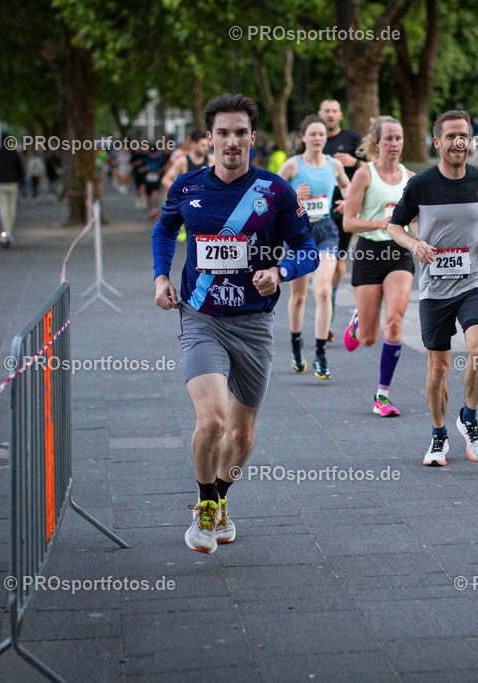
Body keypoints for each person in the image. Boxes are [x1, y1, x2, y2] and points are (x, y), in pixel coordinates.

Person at [151, 93, 318, 553]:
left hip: (253, 325)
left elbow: (308, 249)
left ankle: (220, 499)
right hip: (201, 316)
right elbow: (165, 230)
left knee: (241, 435)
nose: (231, 141)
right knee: (212, 421)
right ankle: (204, 509)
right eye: (222, 132)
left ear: (252, 137)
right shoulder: (186, 187)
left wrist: (280, 271)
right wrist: (162, 276)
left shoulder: (275, 192)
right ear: (209, 138)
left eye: (240, 132)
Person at [386, 110, 478, 466]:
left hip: (475, 279)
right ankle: (439, 436)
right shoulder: (421, 186)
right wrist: (415, 245)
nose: (459, 142)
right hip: (435, 286)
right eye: (452, 136)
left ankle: (469, 419)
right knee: (437, 368)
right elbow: (393, 227)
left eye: (465, 136)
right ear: (437, 141)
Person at [341, 116, 417, 417]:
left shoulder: (411, 178)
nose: (394, 144)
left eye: (398, 138)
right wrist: (379, 223)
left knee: (395, 321)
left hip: (399, 252)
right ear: (377, 142)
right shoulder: (364, 174)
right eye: (388, 139)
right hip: (369, 253)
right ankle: (359, 320)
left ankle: (382, 396)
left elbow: (414, 221)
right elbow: (348, 221)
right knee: (368, 338)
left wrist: (419, 235)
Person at [277, 115, 350, 379]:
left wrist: (346, 202)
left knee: (322, 291)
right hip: (298, 235)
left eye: (322, 134)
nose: (318, 138)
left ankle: (320, 355)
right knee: (298, 296)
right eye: (313, 134)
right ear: (303, 138)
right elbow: (270, 194)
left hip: (327, 232)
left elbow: (347, 187)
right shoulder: (292, 166)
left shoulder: (333, 164)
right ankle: (296, 346)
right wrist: (295, 197)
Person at [319, 99, 365, 328]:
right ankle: (325, 300)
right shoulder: (315, 139)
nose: (330, 114)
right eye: (326, 111)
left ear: (340, 115)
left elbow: (375, 165)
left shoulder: (352, 139)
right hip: (318, 214)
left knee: (338, 263)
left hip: (345, 209)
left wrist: (355, 161)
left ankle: (332, 295)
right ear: (320, 114)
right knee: (324, 264)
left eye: (334, 111)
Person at [0, 142, 22, 247]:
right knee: (12, 208)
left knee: (3, 207)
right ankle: (9, 230)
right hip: (12, 183)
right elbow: (20, 169)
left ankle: (5, 230)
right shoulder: (14, 154)